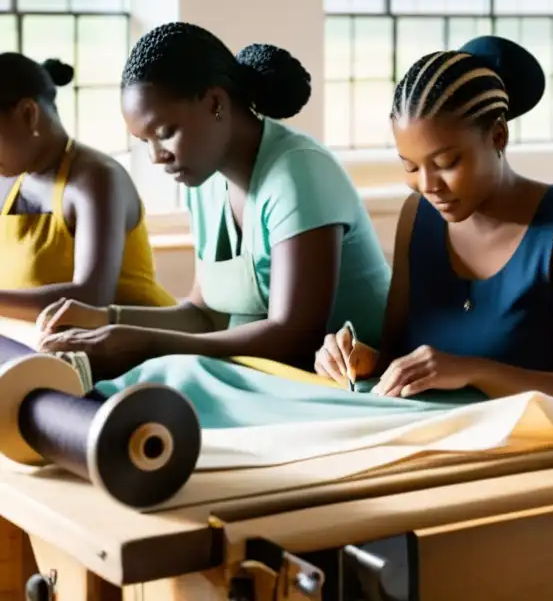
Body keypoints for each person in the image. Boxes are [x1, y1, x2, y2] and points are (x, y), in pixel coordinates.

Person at [36, 23, 391, 381]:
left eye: (164, 134)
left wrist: (146, 344)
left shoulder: (298, 173)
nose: (157, 156)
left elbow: (293, 337)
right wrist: (104, 318)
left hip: (354, 383)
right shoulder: (204, 181)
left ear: (216, 104)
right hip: (265, 377)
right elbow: (204, 315)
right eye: (145, 142)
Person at [314, 36, 553, 404]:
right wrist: (360, 360)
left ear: (498, 135)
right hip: (420, 435)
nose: (428, 186)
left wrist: (472, 370)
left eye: (447, 164)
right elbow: (395, 355)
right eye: (410, 166)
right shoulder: (416, 216)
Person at [0, 53, 175, 322]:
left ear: (28, 113)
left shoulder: (96, 180)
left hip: (138, 347)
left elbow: (92, 297)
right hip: (47, 351)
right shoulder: (10, 180)